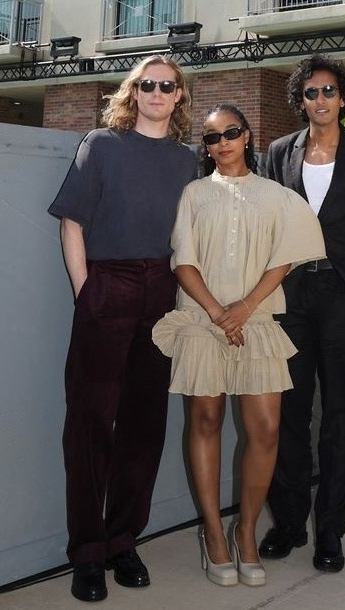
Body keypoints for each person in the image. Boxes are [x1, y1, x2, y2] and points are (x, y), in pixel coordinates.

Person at [152, 103, 325, 587]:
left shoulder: (277, 196)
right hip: (202, 319)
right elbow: (184, 261)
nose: (222, 142)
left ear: (247, 135)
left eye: (230, 132)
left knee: (266, 429)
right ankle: (212, 533)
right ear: (206, 147)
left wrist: (244, 307)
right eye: (212, 137)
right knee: (205, 420)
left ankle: (245, 531)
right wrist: (217, 312)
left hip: (257, 320)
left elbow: (284, 259)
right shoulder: (194, 194)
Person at [48, 55, 198, 602]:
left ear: (179, 96)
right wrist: (86, 291)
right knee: (90, 423)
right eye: (147, 84)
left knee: (144, 424)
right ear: (133, 92)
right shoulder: (101, 144)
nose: (157, 92)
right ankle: (87, 553)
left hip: (161, 288)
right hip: (107, 284)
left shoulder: (187, 160)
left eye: (167, 85)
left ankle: (122, 541)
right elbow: (73, 222)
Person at [259, 54, 345, 573]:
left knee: (340, 414)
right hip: (289, 297)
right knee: (288, 410)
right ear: (300, 100)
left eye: (329, 91)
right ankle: (290, 523)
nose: (320, 100)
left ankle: (331, 531)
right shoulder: (279, 153)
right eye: (311, 92)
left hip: (340, 295)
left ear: (343, 98)